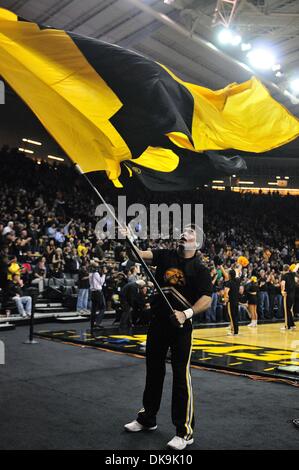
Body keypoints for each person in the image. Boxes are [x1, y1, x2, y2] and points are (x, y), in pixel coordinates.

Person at [123, 225, 212, 450]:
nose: (184, 234)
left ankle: (184, 432)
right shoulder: (165, 255)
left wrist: (186, 313)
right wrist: (128, 239)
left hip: (181, 327)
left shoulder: (200, 269)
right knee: (154, 371)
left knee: (181, 377)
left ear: (197, 242)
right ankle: (147, 419)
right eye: (183, 231)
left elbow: (207, 299)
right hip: (158, 323)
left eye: (190, 232)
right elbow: (137, 255)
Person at [89, 262, 106, 329]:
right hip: (98, 292)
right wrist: (104, 274)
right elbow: (101, 282)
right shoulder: (96, 274)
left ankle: (92, 323)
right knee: (103, 307)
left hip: (93, 292)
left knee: (94, 309)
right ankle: (97, 322)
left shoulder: (90, 274)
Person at [280, 264, 297, 330]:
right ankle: (292, 325)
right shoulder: (292, 274)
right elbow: (296, 268)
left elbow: (283, 283)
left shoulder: (284, 276)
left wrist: (282, 291)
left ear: (283, 269)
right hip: (293, 295)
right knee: (289, 310)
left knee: (287, 310)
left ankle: (287, 326)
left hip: (287, 295)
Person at [224, 269, 239, 336]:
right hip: (236, 301)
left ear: (229, 275)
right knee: (235, 316)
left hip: (231, 301)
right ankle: (236, 331)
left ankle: (233, 332)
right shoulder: (237, 281)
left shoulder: (229, 282)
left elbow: (226, 291)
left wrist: (226, 298)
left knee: (232, 316)